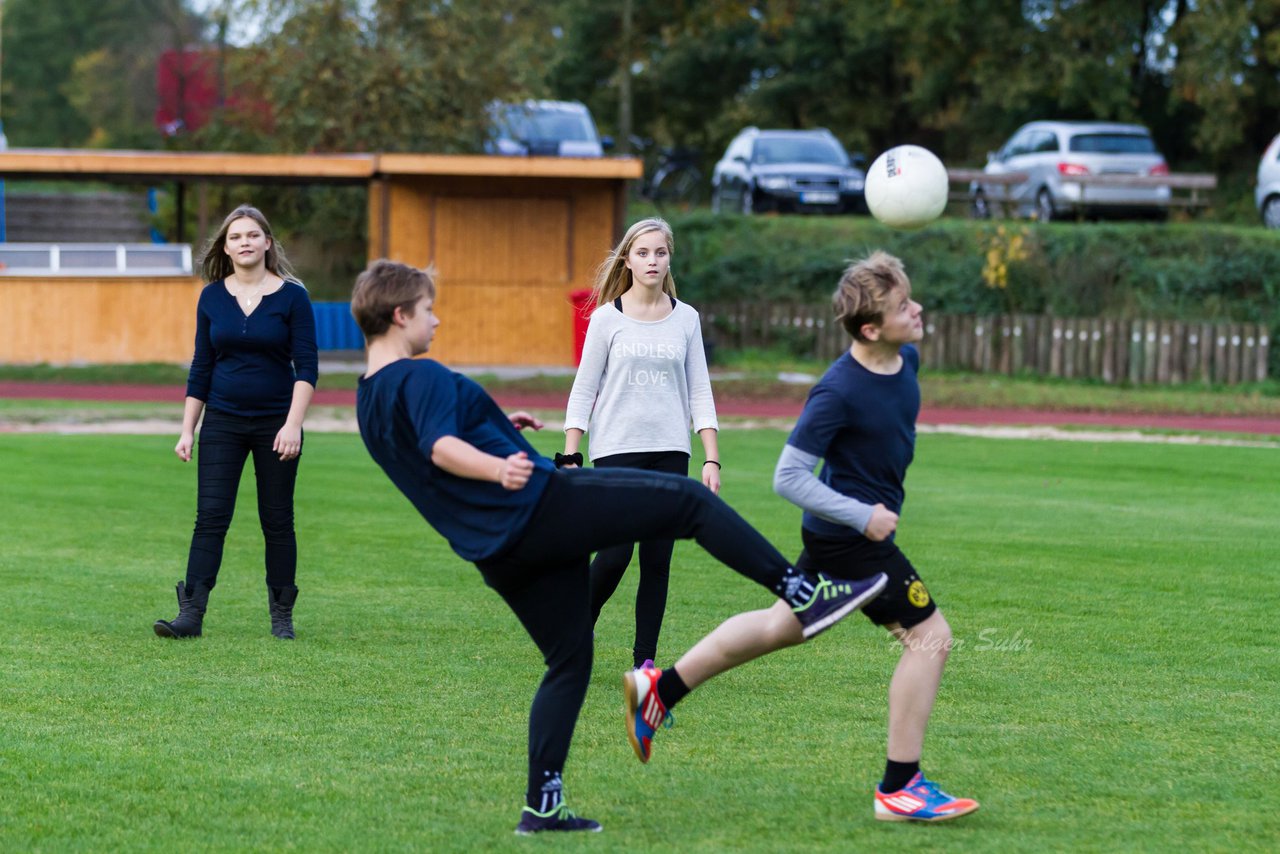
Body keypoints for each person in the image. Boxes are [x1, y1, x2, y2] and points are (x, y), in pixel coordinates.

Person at [350, 259, 886, 836]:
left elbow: (425, 442)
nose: (437, 319)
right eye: (429, 309)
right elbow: (439, 449)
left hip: (494, 551)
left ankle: (543, 806)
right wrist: (497, 464)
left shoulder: (368, 398)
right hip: (537, 507)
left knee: (569, 661)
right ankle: (802, 591)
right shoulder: (420, 375)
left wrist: (498, 426)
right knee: (688, 502)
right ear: (401, 315)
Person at [771, 250, 978, 822]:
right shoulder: (836, 390)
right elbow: (787, 476)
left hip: (834, 535)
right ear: (869, 328)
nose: (917, 309)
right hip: (852, 537)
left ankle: (664, 687)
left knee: (782, 625)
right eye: (902, 305)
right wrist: (862, 515)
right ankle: (900, 786)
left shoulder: (905, 361)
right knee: (930, 636)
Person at [154, 204, 318, 641]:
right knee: (210, 517)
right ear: (225, 248)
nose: (244, 242)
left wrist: (293, 425)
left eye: (252, 235)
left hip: (275, 424)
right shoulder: (210, 298)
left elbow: (307, 367)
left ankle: (281, 617)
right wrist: (188, 429)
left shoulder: (293, 297)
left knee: (277, 519)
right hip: (222, 422)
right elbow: (201, 367)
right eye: (235, 237)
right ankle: (190, 613)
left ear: (267, 242)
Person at [563, 218, 718, 671]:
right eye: (643, 253)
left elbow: (700, 391)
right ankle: (575, 629)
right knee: (614, 553)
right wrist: (572, 455)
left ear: (669, 258)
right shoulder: (606, 318)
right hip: (615, 449)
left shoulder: (686, 317)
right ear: (627, 259)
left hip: (672, 450)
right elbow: (583, 391)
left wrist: (711, 457)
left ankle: (644, 663)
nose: (653, 261)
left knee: (657, 559)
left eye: (660, 253)